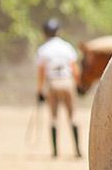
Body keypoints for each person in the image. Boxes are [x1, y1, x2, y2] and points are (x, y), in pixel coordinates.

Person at [35, 17, 82, 158]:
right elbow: (74, 68)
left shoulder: (43, 50)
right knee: (73, 116)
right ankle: (77, 150)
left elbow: (42, 72)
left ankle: (55, 152)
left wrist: (39, 90)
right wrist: (78, 84)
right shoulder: (67, 46)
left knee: (54, 118)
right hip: (67, 82)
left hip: (53, 83)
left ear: (44, 32)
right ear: (58, 31)